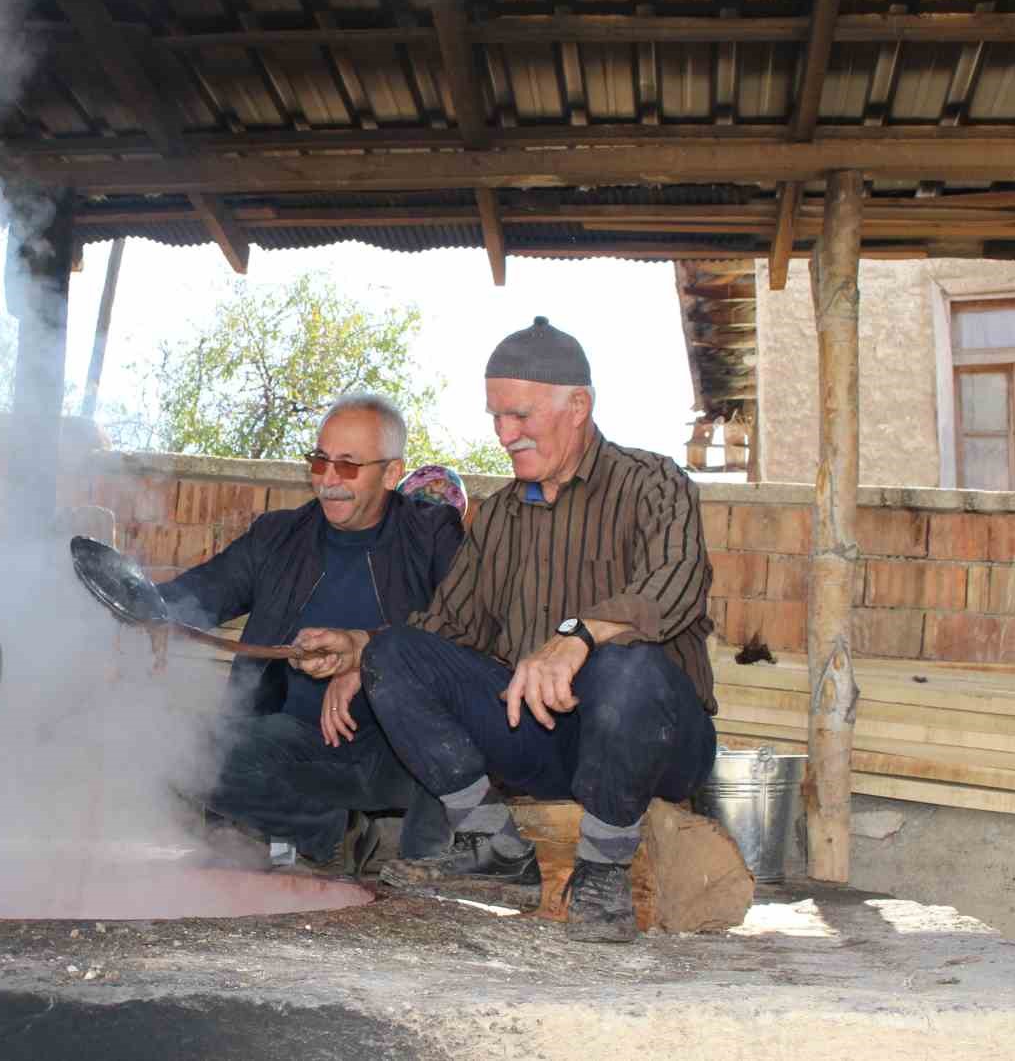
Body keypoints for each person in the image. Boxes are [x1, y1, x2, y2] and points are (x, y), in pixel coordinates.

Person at [293, 318, 717, 941]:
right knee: (396, 653)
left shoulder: (654, 481)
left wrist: (577, 637)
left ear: (578, 406)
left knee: (628, 668)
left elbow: (677, 585)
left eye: (518, 416)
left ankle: (603, 872)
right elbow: (445, 627)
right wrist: (360, 651)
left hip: (656, 743)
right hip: (545, 744)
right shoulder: (499, 517)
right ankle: (494, 844)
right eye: (495, 418)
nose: (503, 434)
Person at [160, 393, 464, 874]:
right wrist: (131, 606)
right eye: (320, 460)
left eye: (347, 466)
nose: (327, 479)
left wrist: (367, 654)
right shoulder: (278, 536)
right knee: (175, 749)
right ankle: (333, 834)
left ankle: (408, 850)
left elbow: (468, 626)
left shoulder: (432, 536)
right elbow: (197, 594)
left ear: (390, 473)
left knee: (462, 735)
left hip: (401, 751)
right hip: (296, 745)